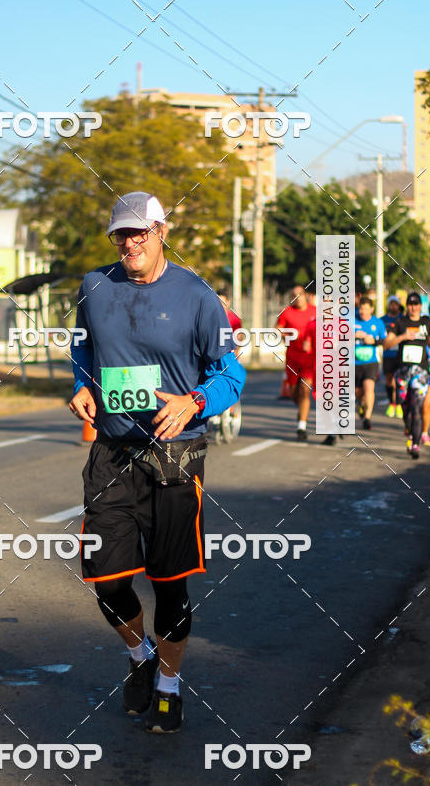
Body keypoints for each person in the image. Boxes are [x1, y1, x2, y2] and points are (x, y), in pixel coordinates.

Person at [69, 192, 246, 734]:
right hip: (112, 453)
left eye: (139, 232)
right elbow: (82, 347)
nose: (130, 243)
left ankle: (169, 684)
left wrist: (194, 401)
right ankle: (140, 655)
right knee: (107, 581)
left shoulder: (197, 296)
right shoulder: (94, 287)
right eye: (121, 234)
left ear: (161, 231)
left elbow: (230, 375)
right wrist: (82, 384)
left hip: (174, 457)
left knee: (170, 584)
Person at [384, 292, 430, 459]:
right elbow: (386, 344)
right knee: (405, 407)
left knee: (417, 408)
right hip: (403, 371)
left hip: (421, 371)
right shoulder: (400, 322)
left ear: (420, 306)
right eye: (410, 304)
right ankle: (409, 429)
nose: (413, 308)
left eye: (416, 304)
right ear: (407, 306)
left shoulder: (426, 322)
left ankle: (415, 444)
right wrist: (402, 337)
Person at [276, 286, 315, 441]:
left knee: (305, 391)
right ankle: (301, 410)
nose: (298, 298)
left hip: (310, 359)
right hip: (292, 358)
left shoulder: (315, 311)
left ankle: (302, 426)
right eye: (294, 295)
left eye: (300, 294)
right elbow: (277, 329)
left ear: (306, 296)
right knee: (294, 394)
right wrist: (290, 334)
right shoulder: (287, 312)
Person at [354, 297, 386, 431]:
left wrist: (374, 342)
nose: (363, 312)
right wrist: (354, 335)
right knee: (357, 392)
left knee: (369, 388)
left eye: (366, 309)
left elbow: (384, 341)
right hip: (354, 362)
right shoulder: (352, 320)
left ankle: (367, 418)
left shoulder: (378, 323)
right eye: (361, 309)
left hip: (371, 361)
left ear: (371, 309)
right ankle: (361, 404)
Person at [381, 295, 403, 418]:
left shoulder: (402, 318)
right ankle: (391, 403)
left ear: (398, 305)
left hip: (400, 354)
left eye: (395, 304)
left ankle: (398, 404)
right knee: (389, 380)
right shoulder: (382, 320)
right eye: (391, 303)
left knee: (399, 380)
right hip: (388, 353)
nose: (393, 306)